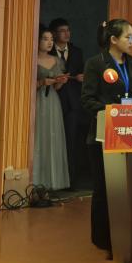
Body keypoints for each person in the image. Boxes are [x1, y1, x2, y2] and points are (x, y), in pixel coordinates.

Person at [81, 19, 132, 258]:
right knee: (105, 189)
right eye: (128, 37)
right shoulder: (95, 63)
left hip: (131, 135)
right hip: (104, 135)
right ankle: (103, 239)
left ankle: (128, 236)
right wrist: (113, 113)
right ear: (113, 39)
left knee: (129, 188)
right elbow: (88, 100)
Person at [48, 18, 87, 189]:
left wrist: (81, 77)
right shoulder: (48, 51)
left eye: (68, 30)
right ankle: (53, 179)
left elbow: (82, 72)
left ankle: (71, 179)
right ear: (54, 34)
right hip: (53, 100)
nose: (67, 33)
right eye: (62, 30)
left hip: (73, 103)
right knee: (54, 140)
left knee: (72, 141)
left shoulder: (77, 51)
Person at [34, 25, 70, 191]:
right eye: (45, 39)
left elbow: (56, 88)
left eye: (51, 39)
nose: (49, 43)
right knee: (38, 138)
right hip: (37, 101)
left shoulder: (57, 60)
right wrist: (42, 82)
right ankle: (35, 182)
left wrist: (60, 82)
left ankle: (51, 182)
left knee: (52, 136)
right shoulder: (31, 58)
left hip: (52, 102)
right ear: (37, 40)